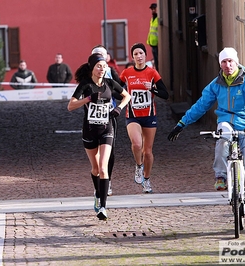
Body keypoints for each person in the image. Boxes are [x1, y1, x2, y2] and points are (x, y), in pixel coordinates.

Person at [167, 47, 245, 221]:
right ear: (220, 64)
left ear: (236, 62)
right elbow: (201, 105)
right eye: (224, 61)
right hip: (226, 122)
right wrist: (182, 123)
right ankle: (221, 176)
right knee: (223, 137)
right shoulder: (216, 84)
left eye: (230, 61)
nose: (227, 65)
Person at [67, 53, 131, 220]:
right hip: (89, 131)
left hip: (106, 129)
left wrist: (118, 108)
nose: (102, 69)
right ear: (92, 68)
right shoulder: (85, 85)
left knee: (104, 168)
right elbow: (70, 106)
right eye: (99, 66)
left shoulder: (110, 83)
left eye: (104, 66)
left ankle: (103, 207)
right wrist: (88, 98)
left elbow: (127, 96)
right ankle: (97, 193)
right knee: (95, 169)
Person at [119, 42, 169, 193]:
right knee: (136, 144)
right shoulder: (126, 73)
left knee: (147, 151)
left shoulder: (152, 73)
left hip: (149, 116)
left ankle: (147, 180)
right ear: (132, 57)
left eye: (141, 53)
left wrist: (152, 88)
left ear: (145, 55)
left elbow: (165, 94)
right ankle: (138, 165)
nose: (139, 56)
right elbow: (117, 89)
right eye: (135, 54)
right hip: (133, 115)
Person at [91, 45, 123, 196]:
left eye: (101, 55)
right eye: (95, 55)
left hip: (109, 117)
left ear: (106, 58)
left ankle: (107, 181)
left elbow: (121, 93)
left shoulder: (111, 72)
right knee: (94, 151)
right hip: (92, 119)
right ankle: (98, 179)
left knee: (109, 150)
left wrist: (117, 107)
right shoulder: (86, 74)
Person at [147, 3, 159, 71]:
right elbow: (151, 31)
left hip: (157, 44)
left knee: (157, 61)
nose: (153, 10)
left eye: (154, 9)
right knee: (156, 61)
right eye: (152, 9)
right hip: (153, 43)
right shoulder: (152, 19)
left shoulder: (157, 19)